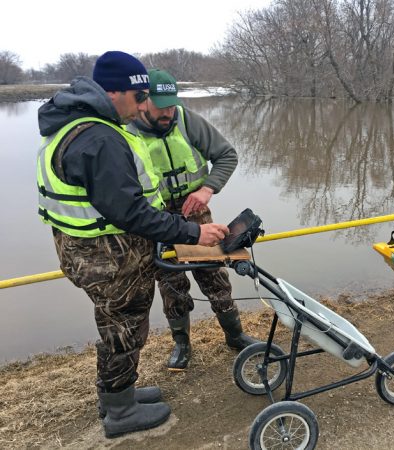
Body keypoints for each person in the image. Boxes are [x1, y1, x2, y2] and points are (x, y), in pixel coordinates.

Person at [36, 51, 229, 439]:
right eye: (138, 98)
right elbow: (130, 212)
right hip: (109, 258)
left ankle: (118, 395)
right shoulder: (98, 137)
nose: (143, 107)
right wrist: (193, 233)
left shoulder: (76, 125)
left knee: (119, 326)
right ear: (113, 92)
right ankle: (120, 412)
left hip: (91, 253)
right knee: (123, 329)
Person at [126, 69, 258, 371]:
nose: (168, 112)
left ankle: (234, 335)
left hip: (195, 213)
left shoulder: (186, 120)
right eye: (161, 106)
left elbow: (227, 155)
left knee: (214, 273)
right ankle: (182, 344)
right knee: (171, 282)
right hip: (155, 218)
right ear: (144, 101)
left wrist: (207, 189)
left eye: (172, 104)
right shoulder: (127, 132)